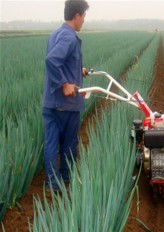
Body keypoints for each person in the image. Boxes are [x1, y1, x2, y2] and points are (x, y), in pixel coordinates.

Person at [42, 0, 89, 191]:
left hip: (50, 103)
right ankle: (67, 179)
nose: (84, 21)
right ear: (76, 16)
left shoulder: (56, 34)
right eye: (84, 17)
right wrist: (64, 84)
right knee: (69, 143)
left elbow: (61, 61)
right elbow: (53, 60)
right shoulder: (69, 38)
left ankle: (52, 184)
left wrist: (79, 70)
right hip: (66, 104)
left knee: (51, 142)